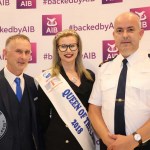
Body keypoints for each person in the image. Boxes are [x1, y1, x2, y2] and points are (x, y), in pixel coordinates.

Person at [88, 12, 150, 150]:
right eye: (120, 30)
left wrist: (134, 140)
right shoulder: (104, 68)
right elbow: (94, 109)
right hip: (111, 146)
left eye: (131, 29)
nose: (125, 35)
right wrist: (107, 139)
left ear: (140, 34)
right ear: (114, 35)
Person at [36, 29, 95, 150]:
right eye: (63, 46)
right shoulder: (48, 79)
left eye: (72, 46)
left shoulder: (90, 77)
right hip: (58, 142)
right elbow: (43, 117)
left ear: (78, 48)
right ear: (57, 50)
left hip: (85, 141)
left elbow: (95, 111)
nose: (68, 50)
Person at [0, 34, 41, 150]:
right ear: (5, 54)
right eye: (18, 51)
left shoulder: (33, 84)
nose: (23, 57)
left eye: (27, 52)